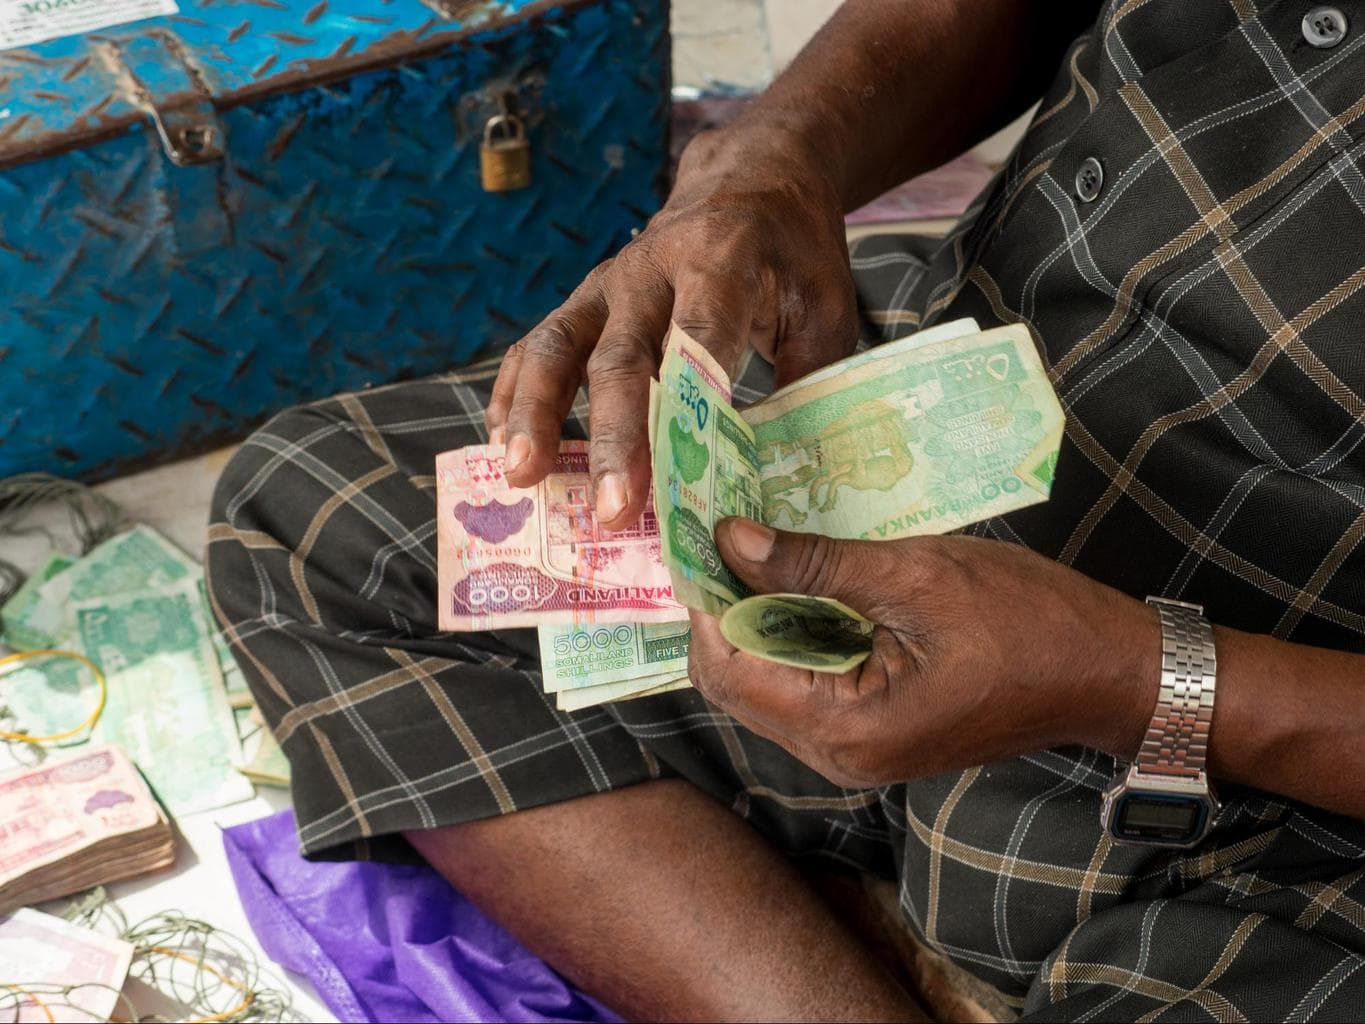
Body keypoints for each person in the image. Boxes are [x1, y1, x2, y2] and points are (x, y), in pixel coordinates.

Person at [205, 0, 1365, 1019]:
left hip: (1288, 795)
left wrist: (1144, 679)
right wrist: (774, 152)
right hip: (938, 392)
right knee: (318, 515)